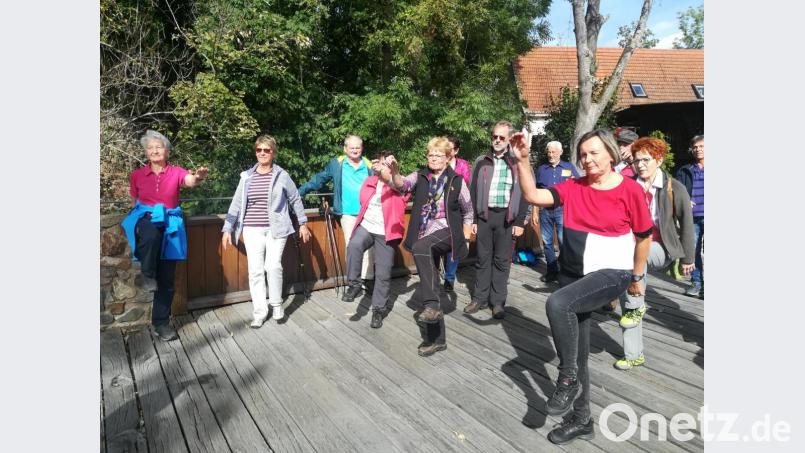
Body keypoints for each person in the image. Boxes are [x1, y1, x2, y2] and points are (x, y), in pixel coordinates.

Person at [513, 129, 653, 445]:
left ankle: (566, 379)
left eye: (594, 152)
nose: (587, 159)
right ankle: (581, 420)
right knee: (579, 354)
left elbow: (644, 235)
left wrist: (636, 278)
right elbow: (535, 196)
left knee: (557, 304)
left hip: (611, 273)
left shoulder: (629, 190)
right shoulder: (573, 187)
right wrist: (522, 161)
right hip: (574, 274)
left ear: (611, 154)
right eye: (583, 154)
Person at [380, 137, 474, 357]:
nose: (433, 158)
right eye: (430, 154)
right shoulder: (420, 176)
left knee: (421, 247)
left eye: (438, 155)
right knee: (429, 283)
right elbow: (400, 185)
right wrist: (394, 171)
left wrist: (467, 239)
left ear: (448, 157)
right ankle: (437, 339)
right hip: (426, 234)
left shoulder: (457, 181)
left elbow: (469, 212)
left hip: (449, 231)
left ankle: (432, 307)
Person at [614, 137, 696, 370]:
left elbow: (687, 224)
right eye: (637, 160)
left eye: (646, 160)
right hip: (631, 251)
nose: (640, 165)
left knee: (634, 269)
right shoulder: (628, 185)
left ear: (658, 160)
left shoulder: (674, 187)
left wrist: (688, 258)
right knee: (629, 296)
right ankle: (633, 354)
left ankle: (636, 301)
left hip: (662, 248)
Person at [121, 130, 208, 341]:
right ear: (145, 152)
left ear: (167, 151)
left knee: (167, 280)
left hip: (170, 224)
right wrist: (137, 223)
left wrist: (197, 177)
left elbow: (189, 180)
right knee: (150, 233)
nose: (154, 151)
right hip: (147, 218)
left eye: (158, 147)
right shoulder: (137, 175)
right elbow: (134, 203)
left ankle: (161, 323)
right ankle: (148, 273)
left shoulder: (176, 171)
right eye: (150, 148)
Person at [221, 135, 311, 328]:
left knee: (273, 266)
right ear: (255, 152)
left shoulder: (282, 175)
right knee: (255, 271)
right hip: (251, 229)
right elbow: (236, 203)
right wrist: (228, 228)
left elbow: (295, 199)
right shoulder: (246, 176)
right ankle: (260, 312)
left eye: (266, 150)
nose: (262, 153)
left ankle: (276, 304)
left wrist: (302, 223)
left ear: (273, 152)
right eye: (259, 150)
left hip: (276, 229)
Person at [463, 121, 530, 319]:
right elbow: (473, 191)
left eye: (501, 137)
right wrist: (473, 218)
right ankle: (480, 298)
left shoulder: (518, 162)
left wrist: (519, 222)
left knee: (502, 261)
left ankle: (498, 301)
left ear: (509, 139)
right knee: (483, 259)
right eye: (494, 137)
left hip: (507, 219)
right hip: (485, 217)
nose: (497, 140)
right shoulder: (481, 161)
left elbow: (527, 193)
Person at [341, 151, 410, 329]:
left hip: (386, 232)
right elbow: (363, 199)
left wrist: (390, 175)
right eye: (381, 163)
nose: (383, 167)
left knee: (383, 273)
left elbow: (400, 188)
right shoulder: (369, 182)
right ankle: (355, 284)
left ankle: (378, 310)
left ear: (393, 166)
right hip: (368, 226)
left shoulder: (399, 182)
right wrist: (377, 177)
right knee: (354, 245)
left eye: (387, 164)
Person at [298, 135, 375, 284]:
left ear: (362, 149)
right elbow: (319, 179)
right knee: (351, 247)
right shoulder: (337, 164)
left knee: (369, 248)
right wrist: (299, 192)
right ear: (345, 149)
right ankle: (354, 282)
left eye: (357, 147)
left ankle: (368, 279)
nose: (354, 150)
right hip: (347, 213)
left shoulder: (369, 165)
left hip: (368, 212)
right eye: (351, 147)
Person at [534, 141, 580, 283]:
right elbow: (536, 191)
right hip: (545, 210)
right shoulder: (542, 169)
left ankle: (566, 271)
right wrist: (535, 212)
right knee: (547, 242)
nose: (551, 154)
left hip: (563, 210)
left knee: (563, 241)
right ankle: (552, 271)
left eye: (553, 152)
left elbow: (578, 188)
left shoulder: (569, 168)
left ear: (560, 152)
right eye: (549, 152)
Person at [675, 135, 704, 297]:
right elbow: (676, 191)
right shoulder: (685, 170)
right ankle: (697, 283)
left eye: (701, 146)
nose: (698, 149)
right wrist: (685, 201)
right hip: (692, 217)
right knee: (692, 250)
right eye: (695, 147)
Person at [442, 136, 471, 291]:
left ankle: (449, 277)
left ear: (456, 150)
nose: (448, 151)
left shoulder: (464, 165)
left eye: (451, 148)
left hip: (458, 209)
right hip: (440, 210)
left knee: (454, 243)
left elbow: (465, 184)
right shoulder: (438, 162)